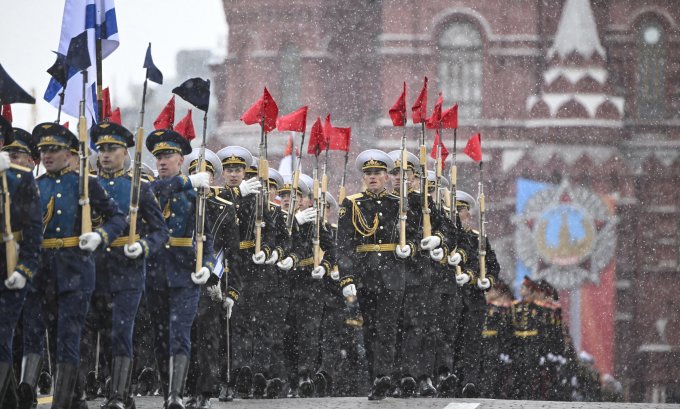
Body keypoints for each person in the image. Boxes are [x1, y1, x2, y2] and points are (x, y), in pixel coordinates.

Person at [28, 122, 126, 408]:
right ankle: (73, 396)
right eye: (43, 150)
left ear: (68, 153)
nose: (47, 155)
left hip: (76, 271)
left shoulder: (85, 183)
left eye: (54, 149)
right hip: (43, 271)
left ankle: (62, 401)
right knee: (51, 335)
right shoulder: (36, 186)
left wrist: (100, 235)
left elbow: (117, 217)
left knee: (70, 335)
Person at [86, 121, 169, 409]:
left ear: (125, 152)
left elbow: (161, 231)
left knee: (122, 331)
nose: (105, 155)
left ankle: (118, 396)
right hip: (94, 270)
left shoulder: (138, 189)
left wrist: (144, 246)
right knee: (104, 334)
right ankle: (118, 389)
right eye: (101, 149)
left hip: (128, 269)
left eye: (111, 149)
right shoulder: (88, 187)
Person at [335, 149, 417, 400]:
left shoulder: (399, 203)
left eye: (378, 173)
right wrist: (347, 278)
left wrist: (409, 248)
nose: (372, 177)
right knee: (370, 328)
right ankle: (376, 379)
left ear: (387, 176)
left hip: (393, 273)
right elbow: (344, 243)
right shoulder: (352, 203)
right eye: (368, 173)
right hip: (366, 273)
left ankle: (384, 376)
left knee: (389, 328)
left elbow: (414, 236)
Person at [145, 128, 215, 409]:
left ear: (181, 159)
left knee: (180, 334)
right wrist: (187, 182)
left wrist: (209, 269)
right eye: (159, 157)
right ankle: (167, 392)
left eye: (168, 156)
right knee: (160, 338)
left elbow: (209, 242)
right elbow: (157, 190)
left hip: (185, 275)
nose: (162, 162)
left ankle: (175, 395)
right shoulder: (150, 190)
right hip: (154, 275)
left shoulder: (195, 196)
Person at [386, 150, 449, 398]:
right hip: (391, 273)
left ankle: (421, 377)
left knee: (420, 326)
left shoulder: (424, 203)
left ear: (414, 177)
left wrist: (437, 239)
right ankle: (398, 376)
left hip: (419, 273)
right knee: (393, 327)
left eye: (406, 174)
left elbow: (446, 228)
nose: (401, 178)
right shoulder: (385, 203)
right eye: (396, 173)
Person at [182, 148, 241, 409]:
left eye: (204, 173)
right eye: (195, 172)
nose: (200, 177)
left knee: (207, 338)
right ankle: (185, 388)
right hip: (181, 279)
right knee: (185, 337)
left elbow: (233, 254)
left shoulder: (224, 208)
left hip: (211, 282)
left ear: (213, 178)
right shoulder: (181, 204)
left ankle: (204, 391)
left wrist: (231, 293)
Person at [277, 172, 337, 397]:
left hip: (309, 280)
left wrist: (326, 265)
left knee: (309, 332)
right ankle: (291, 378)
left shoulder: (315, 223)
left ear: (305, 200)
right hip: (284, 282)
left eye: (294, 195)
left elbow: (332, 249)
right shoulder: (276, 220)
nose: (286, 199)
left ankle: (305, 375)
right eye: (283, 195)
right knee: (286, 333)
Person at [0, 116, 42, 404]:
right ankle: (12, 396)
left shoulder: (22, 181)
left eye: (18, 154)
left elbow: (33, 229)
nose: (13, 158)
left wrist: (26, 267)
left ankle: (23, 389)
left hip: (25, 267)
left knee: (23, 332)